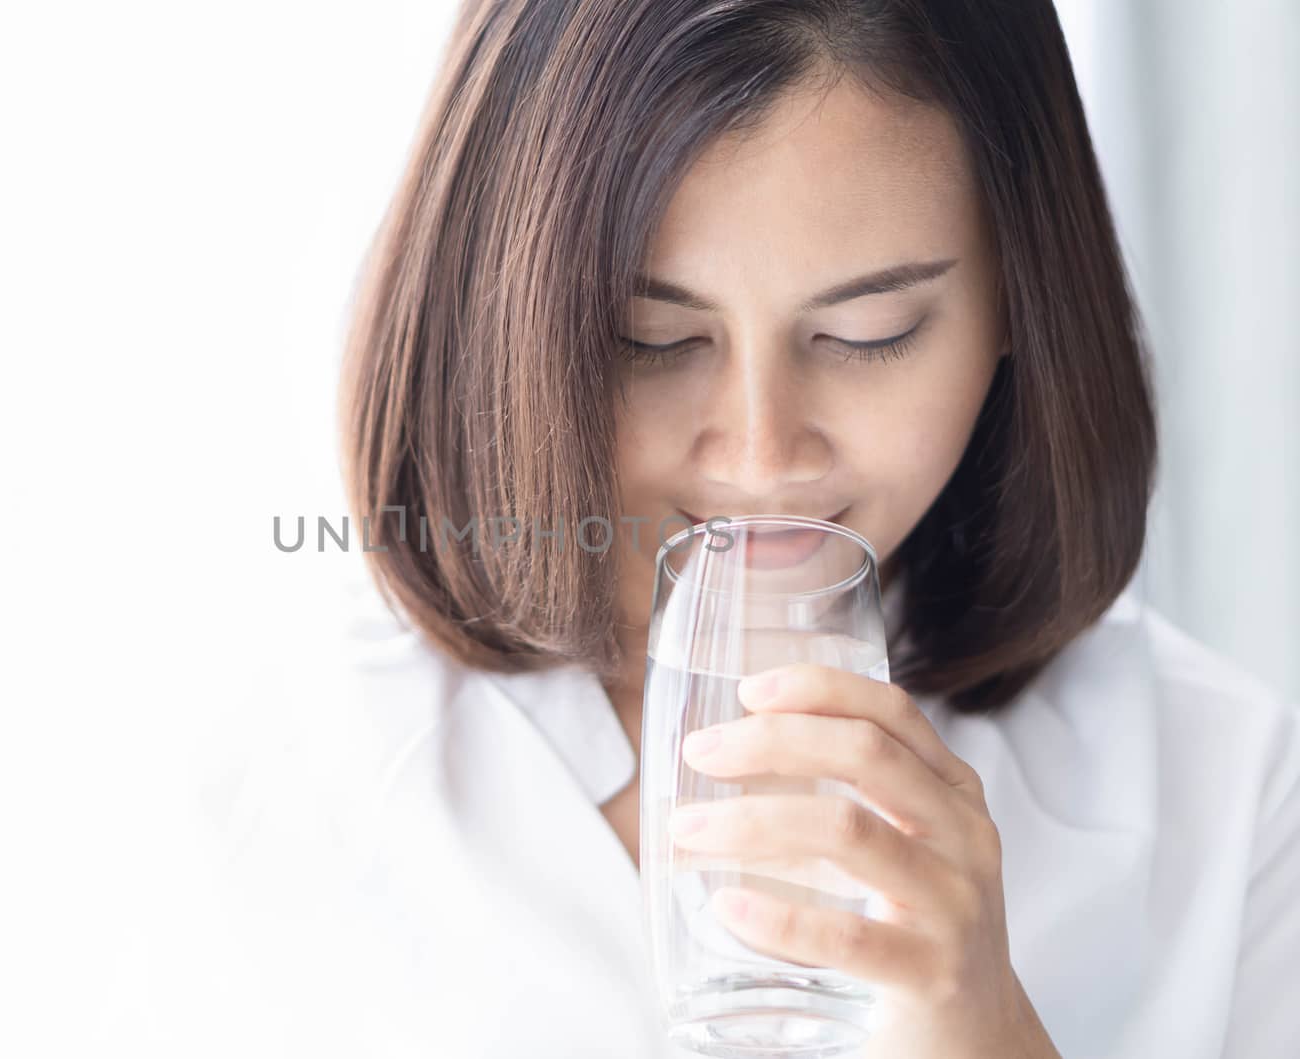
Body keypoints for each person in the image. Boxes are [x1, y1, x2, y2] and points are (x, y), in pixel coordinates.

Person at [232, 2, 1300, 1055]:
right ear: (500, 320)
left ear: (1021, 301)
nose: (760, 456)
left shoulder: (1223, 795)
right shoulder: (284, 784)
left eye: (866, 334)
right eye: (646, 340)